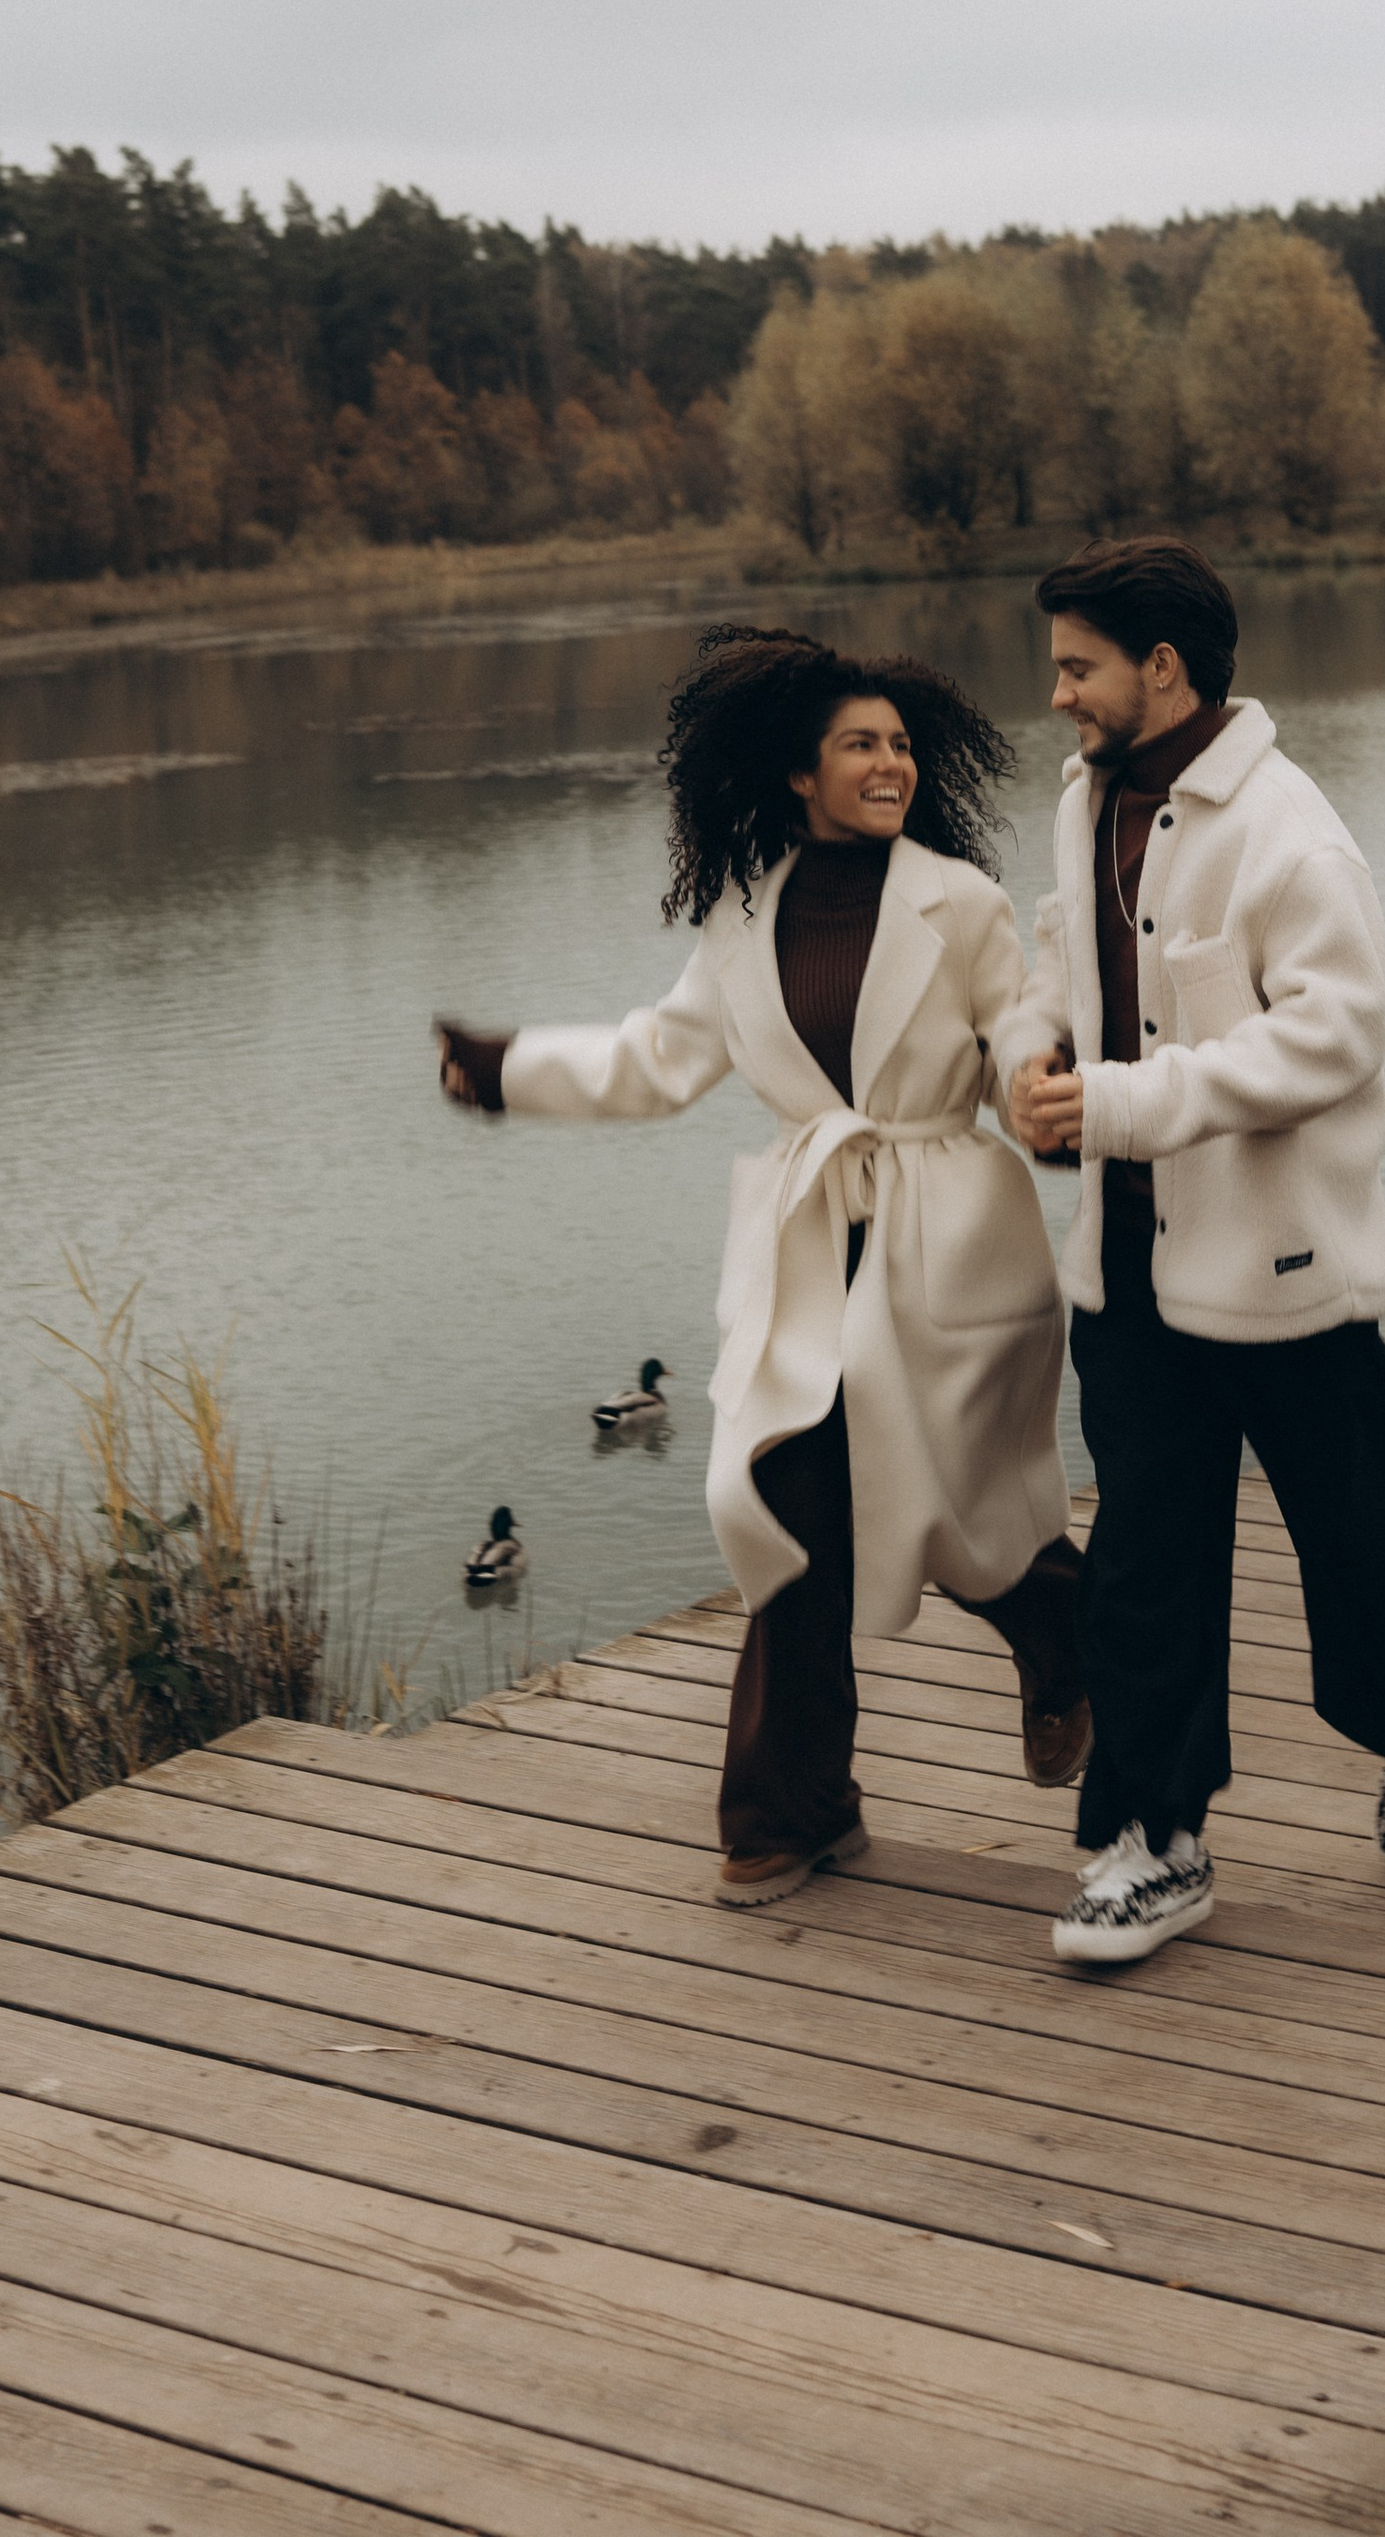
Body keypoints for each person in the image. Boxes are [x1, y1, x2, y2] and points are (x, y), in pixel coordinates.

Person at [437, 624, 1087, 1908]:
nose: (890, 761)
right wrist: (508, 1069)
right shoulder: (741, 917)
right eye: (861, 745)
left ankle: (1068, 1645)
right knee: (780, 1506)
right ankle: (784, 1813)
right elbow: (654, 1063)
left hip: (945, 1238)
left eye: (900, 744)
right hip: (809, 1248)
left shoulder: (959, 902)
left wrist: (1032, 1070)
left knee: (967, 1519)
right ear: (801, 771)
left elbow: (1021, 1009)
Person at [1002, 535, 1385, 1967]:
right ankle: (1150, 1844)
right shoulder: (1081, 804)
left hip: (1287, 1281)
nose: (1059, 696)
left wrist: (1122, 1102)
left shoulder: (1292, 833)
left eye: (1078, 667)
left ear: (1162, 668)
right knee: (1143, 1567)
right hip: (1131, 1282)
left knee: (1363, 1550)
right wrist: (1038, 1058)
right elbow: (1064, 967)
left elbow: (1334, 1037)